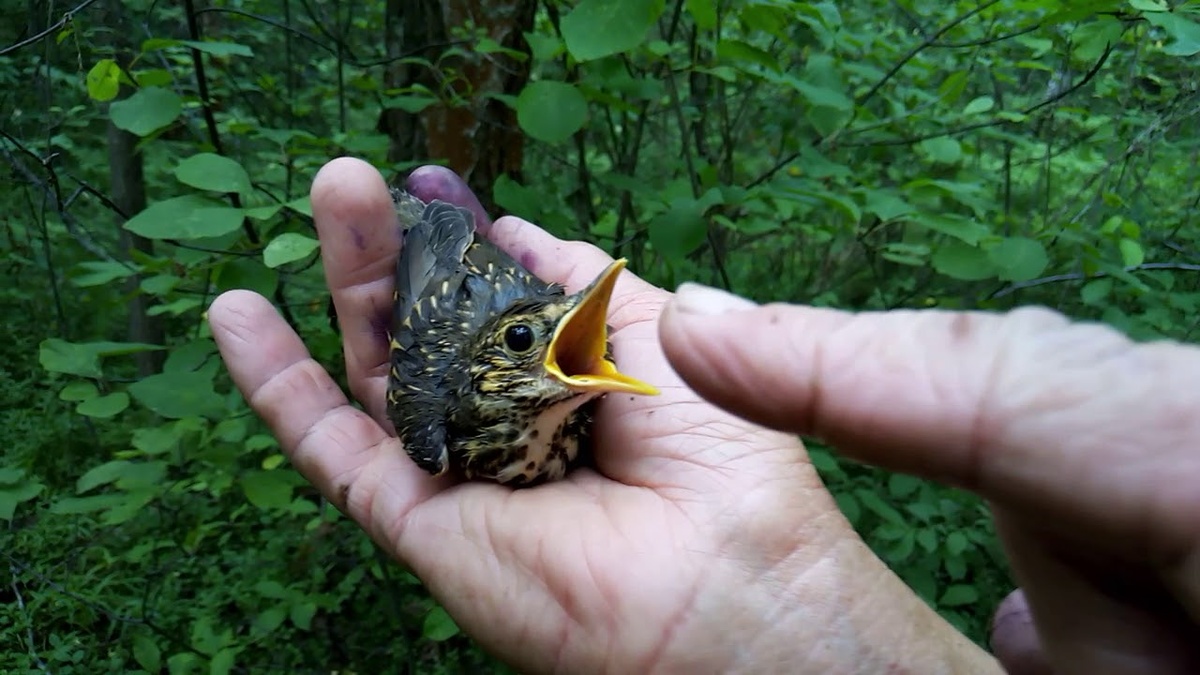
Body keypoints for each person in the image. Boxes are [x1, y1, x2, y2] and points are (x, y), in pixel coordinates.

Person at [209, 159, 1200, 674]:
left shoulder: (587, 415)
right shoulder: (435, 421)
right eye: (532, 352)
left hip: (491, 311)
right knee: (431, 224)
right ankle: (432, 213)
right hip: (454, 290)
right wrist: (443, 236)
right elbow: (471, 326)